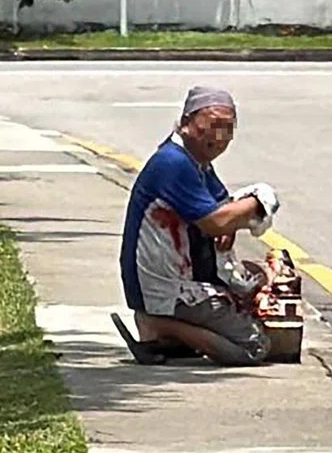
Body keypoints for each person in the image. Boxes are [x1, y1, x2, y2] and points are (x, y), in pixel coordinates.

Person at [112, 86, 279, 366]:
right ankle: (159, 325)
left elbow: (221, 205)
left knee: (251, 293)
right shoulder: (173, 163)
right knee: (254, 345)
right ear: (187, 122)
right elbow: (216, 222)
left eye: (228, 128)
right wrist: (258, 201)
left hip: (179, 281)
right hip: (165, 287)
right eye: (212, 125)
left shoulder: (197, 162)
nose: (220, 137)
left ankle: (171, 335)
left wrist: (230, 224)